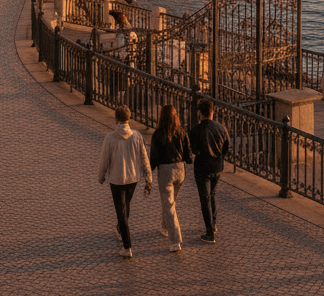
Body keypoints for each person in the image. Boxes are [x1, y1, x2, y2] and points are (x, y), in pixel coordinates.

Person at [97, 104, 152, 258]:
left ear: (116, 119)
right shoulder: (137, 136)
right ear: (129, 118)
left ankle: (127, 246)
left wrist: (101, 176)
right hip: (132, 178)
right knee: (126, 206)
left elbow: (104, 159)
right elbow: (144, 159)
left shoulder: (110, 138)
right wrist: (148, 178)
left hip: (116, 179)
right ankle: (121, 229)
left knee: (121, 210)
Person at [150, 104, 193, 252]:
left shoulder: (158, 134)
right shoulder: (181, 131)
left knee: (169, 205)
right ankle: (164, 227)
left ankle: (175, 240)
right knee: (170, 202)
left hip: (166, 171)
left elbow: (154, 157)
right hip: (180, 171)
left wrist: (148, 171)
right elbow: (188, 155)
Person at [189, 98, 230, 243]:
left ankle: (210, 232)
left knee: (204, 198)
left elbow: (194, 150)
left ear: (200, 113)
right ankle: (214, 223)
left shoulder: (196, 130)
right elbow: (226, 147)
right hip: (217, 166)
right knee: (212, 194)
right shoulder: (221, 128)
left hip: (202, 167)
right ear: (212, 111)